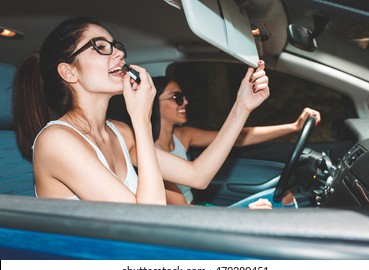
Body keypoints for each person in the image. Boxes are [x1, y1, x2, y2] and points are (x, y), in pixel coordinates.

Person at [13, 17, 271, 207]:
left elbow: (197, 176)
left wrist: (242, 105)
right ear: (69, 72)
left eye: (116, 45)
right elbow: (147, 218)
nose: (119, 53)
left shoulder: (120, 132)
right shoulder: (56, 141)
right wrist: (141, 119)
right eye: (101, 47)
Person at [149, 76, 321, 206]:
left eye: (184, 97)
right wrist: (244, 214)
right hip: (190, 218)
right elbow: (182, 211)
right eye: (176, 97)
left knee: (286, 199)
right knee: (280, 203)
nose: (185, 102)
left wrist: (294, 127)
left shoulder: (183, 135)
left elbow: (236, 138)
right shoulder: (149, 154)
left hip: (200, 208)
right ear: (153, 102)